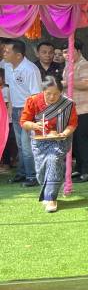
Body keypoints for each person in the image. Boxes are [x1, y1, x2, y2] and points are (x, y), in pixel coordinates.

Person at [19, 76, 78, 212]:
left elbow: (72, 123)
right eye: (48, 94)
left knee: (53, 160)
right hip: (39, 141)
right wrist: (35, 125)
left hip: (59, 140)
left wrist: (64, 133)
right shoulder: (33, 101)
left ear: (61, 92)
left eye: (56, 94)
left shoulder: (68, 104)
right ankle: (47, 190)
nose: (52, 97)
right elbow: (24, 122)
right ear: (43, 91)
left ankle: (51, 198)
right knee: (41, 171)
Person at [2, 40, 42, 186]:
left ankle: (32, 176)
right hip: (15, 109)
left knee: (27, 146)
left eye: (7, 51)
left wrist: (30, 115)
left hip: (28, 111)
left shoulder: (30, 69)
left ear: (18, 55)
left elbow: (36, 95)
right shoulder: (7, 65)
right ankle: (22, 173)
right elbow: (10, 88)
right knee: (20, 145)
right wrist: (10, 108)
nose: (4, 53)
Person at [69, 41, 88, 182]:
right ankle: (79, 169)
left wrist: (68, 83)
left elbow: (87, 83)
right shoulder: (69, 66)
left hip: (86, 109)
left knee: (83, 140)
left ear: (78, 51)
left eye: (70, 50)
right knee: (75, 140)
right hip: (73, 109)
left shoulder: (85, 65)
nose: (67, 54)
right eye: (64, 52)